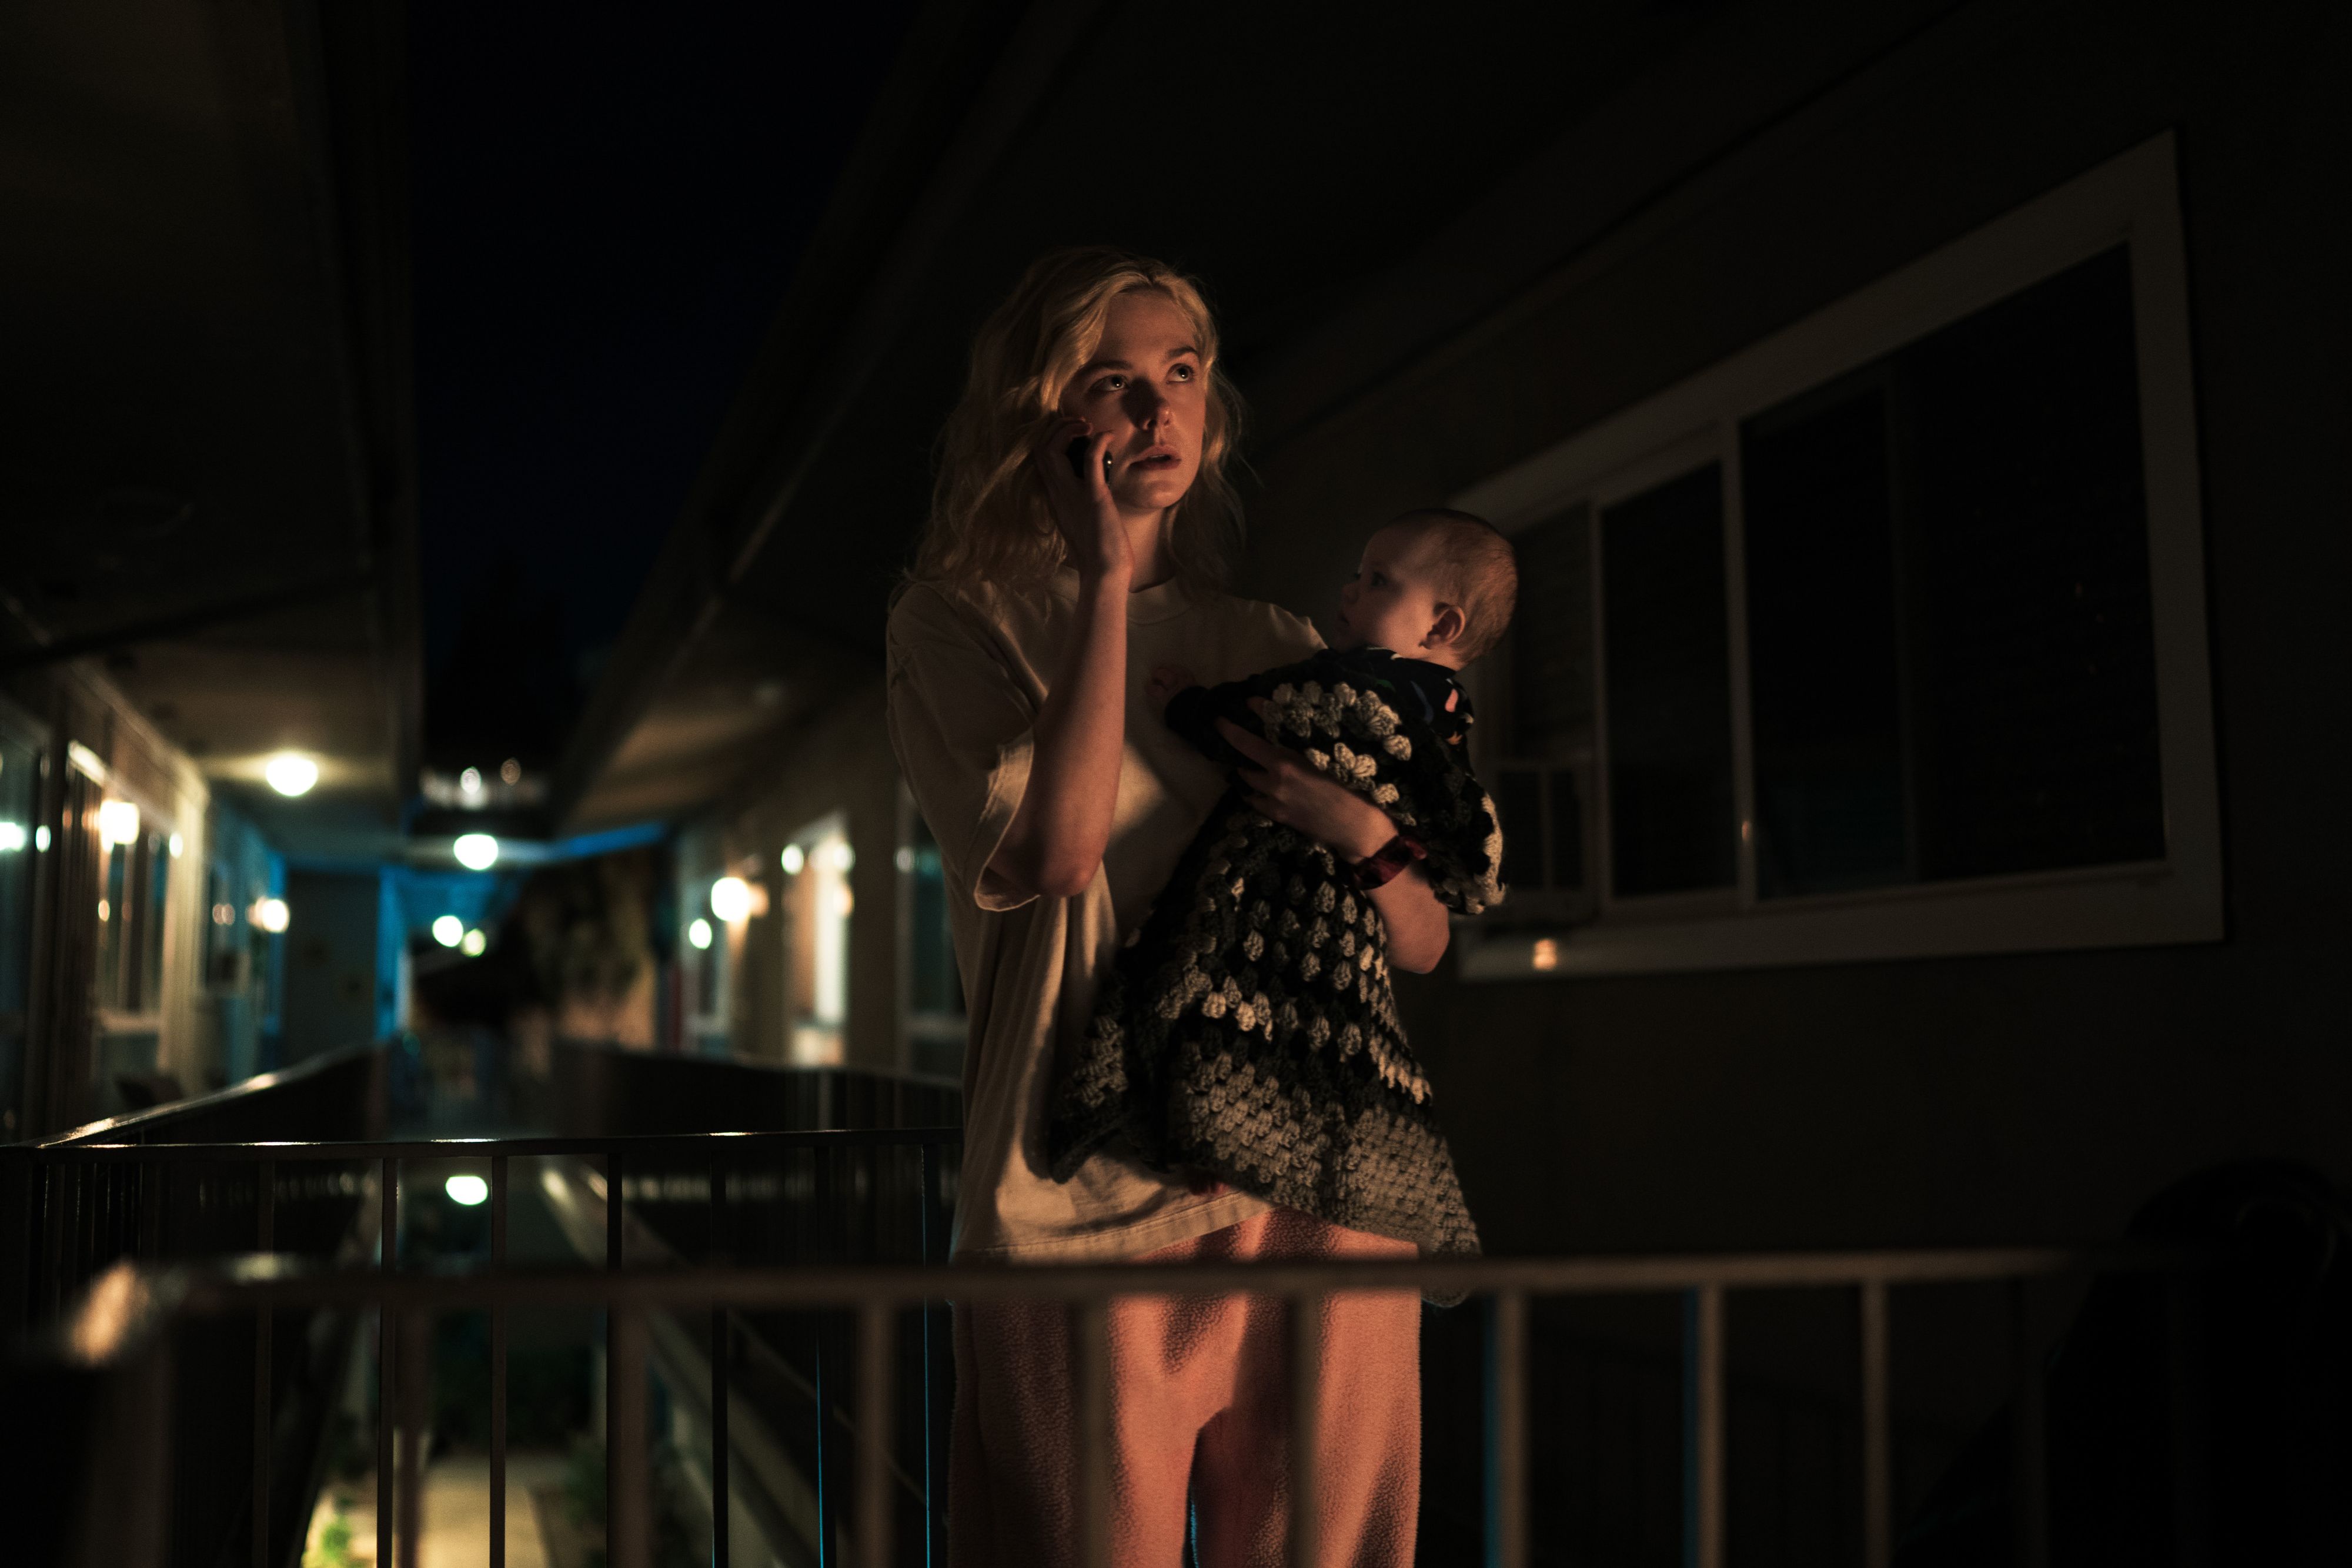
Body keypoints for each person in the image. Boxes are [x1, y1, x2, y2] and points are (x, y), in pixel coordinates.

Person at [885, 247, 1455, 1566]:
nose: (1157, 409)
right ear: (1043, 413)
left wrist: (1365, 835)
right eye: (1112, 380)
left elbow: (1421, 936)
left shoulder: (1272, 639)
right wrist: (1100, 581)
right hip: (1079, 1186)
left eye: (1182, 372)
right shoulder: (954, 623)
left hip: (1315, 1171)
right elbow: (1058, 849)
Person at [1047, 510, 1517, 1266]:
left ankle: (1210, 1139)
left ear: (1441, 626)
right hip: (1341, 936)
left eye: (1378, 581)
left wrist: (1186, 705)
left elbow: (1269, 717)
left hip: (1290, 900)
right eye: (1359, 574)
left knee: (1209, 1001)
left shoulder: (1351, 683)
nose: (1350, 589)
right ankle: (1227, 1142)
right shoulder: (1446, 713)